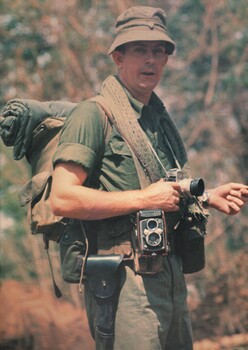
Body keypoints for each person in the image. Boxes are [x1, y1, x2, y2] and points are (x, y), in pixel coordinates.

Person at [50, 6, 248, 350]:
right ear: (118, 56)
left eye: (159, 51)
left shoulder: (156, 121)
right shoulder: (93, 115)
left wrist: (206, 196)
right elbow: (63, 198)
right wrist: (145, 200)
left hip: (168, 274)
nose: (151, 60)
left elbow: (160, 188)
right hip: (123, 280)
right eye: (140, 49)